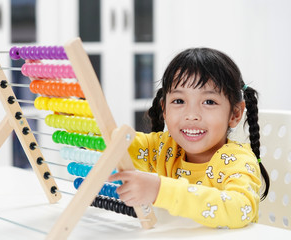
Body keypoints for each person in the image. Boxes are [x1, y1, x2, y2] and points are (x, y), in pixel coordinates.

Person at [109, 47, 270, 229]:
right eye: (179, 101)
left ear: (235, 114)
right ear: (164, 108)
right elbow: (113, 145)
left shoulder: (237, 161)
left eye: (209, 102)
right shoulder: (163, 147)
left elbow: (240, 208)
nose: (191, 115)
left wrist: (160, 190)